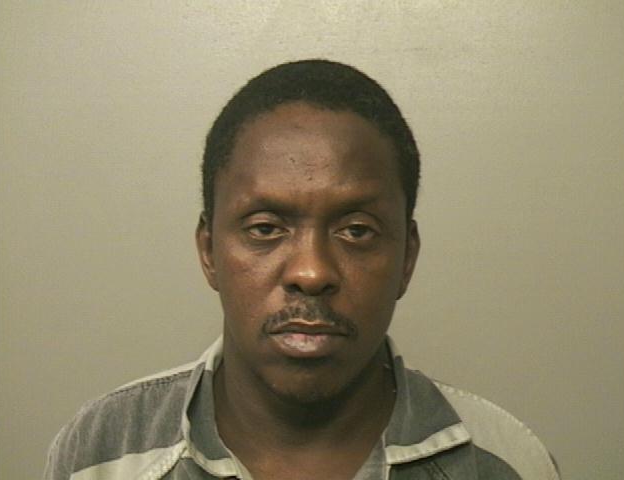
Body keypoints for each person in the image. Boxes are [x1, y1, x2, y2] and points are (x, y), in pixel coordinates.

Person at [43, 59, 560, 480]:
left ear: (407, 257)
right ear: (209, 251)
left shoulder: (505, 464)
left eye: (356, 231)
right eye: (265, 228)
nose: (311, 273)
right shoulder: (101, 453)